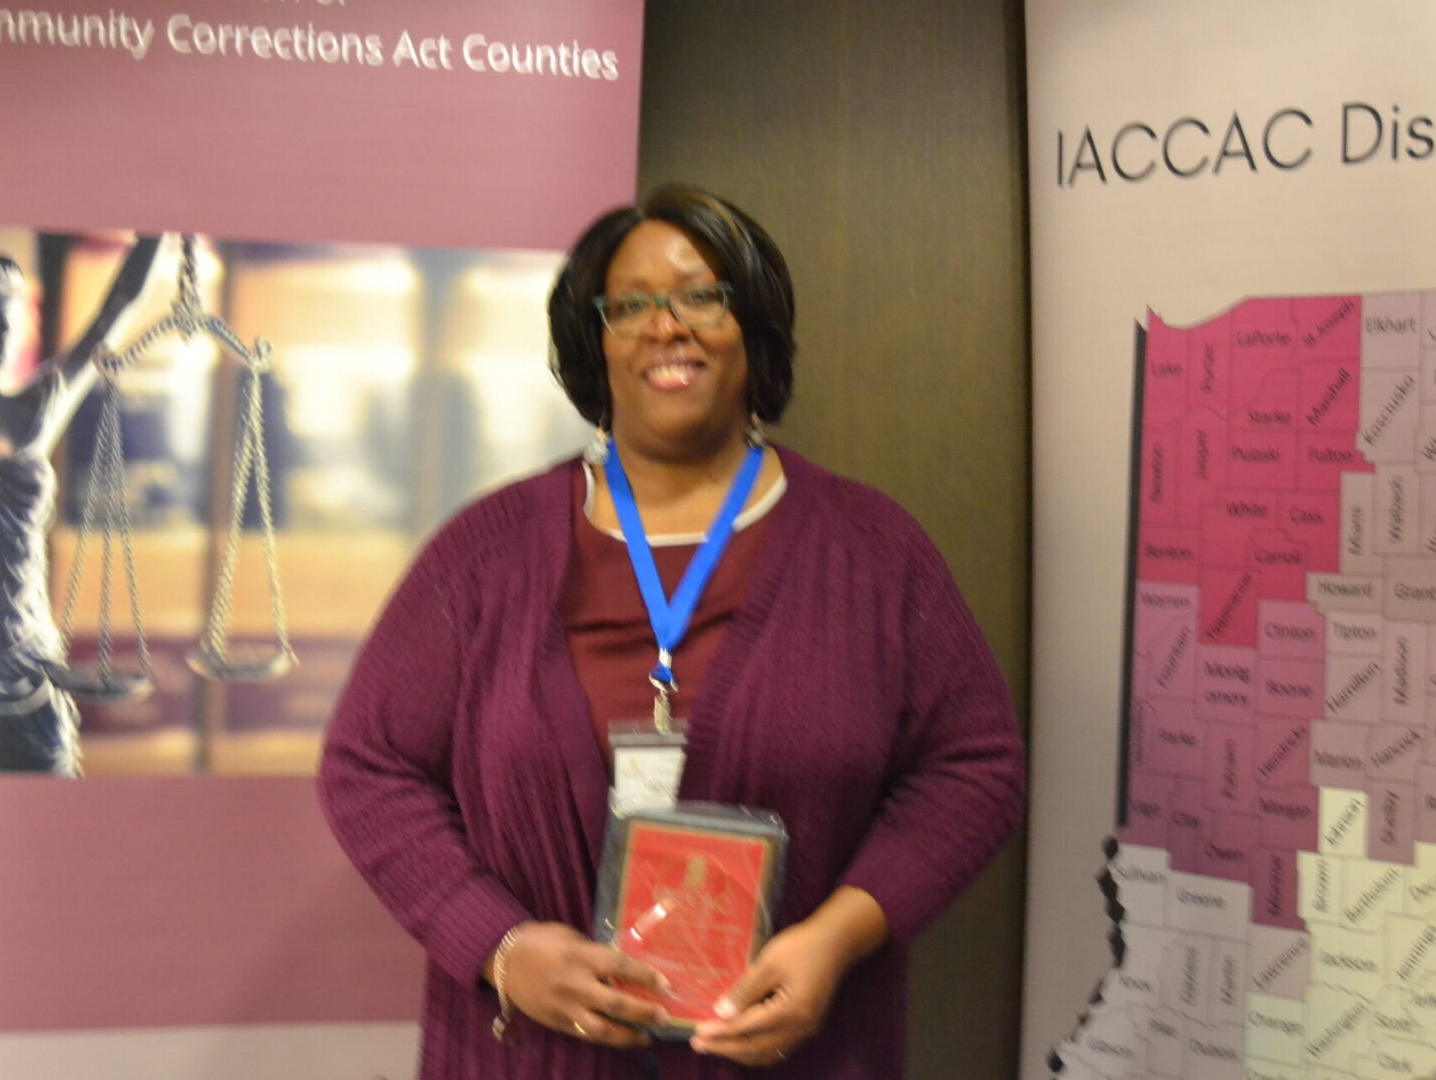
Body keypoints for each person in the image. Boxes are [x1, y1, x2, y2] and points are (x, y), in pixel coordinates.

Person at [318, 185, 1025, 1079]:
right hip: (538, 1059)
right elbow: (367, 767)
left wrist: (838, 938)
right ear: (596, 341)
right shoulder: (486, 555)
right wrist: (498, 946)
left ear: (754, 327)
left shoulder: (873, 551)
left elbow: (976, 767)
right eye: (632, 305)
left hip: (799, 1056)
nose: (667, 326)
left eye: (702, 296)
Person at [0, 235, 166, 775]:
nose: (3, 330)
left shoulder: (39, 411)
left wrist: (162, 230)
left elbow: (119, 307)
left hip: (34, 675)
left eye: (10, 315)